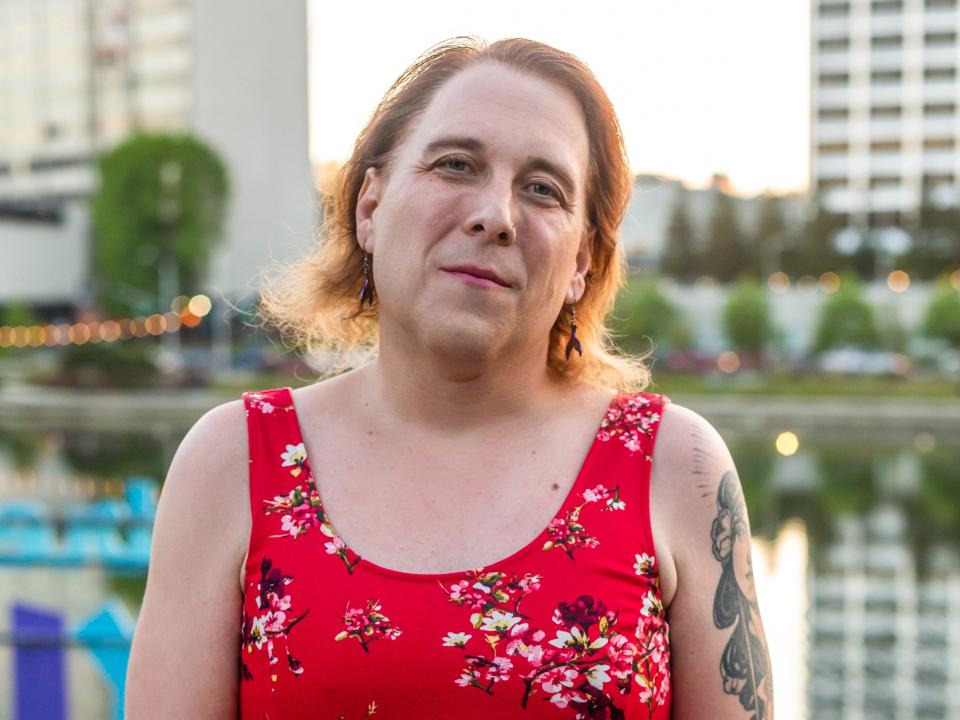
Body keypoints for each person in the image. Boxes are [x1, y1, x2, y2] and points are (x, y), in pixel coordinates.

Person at [126, 36, 773, 719]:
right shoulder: (231, 464)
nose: (495, 215)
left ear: (582, 259)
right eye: (456, 164)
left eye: (543, 189)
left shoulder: (677, 468)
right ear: (369, 207)